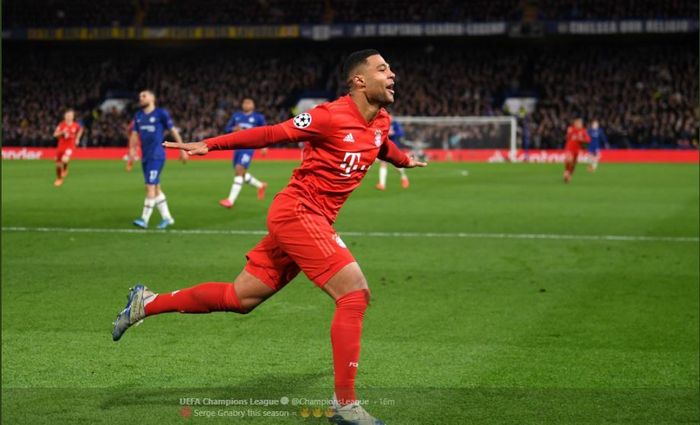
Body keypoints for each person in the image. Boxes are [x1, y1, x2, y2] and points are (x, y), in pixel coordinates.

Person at [112, 49, 426, 425]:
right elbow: (272, 132)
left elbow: (380, 144)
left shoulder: (382, 120)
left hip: (312, 221)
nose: (392, 73)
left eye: (390, 67)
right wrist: (210, 144)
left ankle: (146, 303)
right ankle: (345, 404)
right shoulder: (328, 116)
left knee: (239, 297)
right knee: (354, 294)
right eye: (382, 68)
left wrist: (403, 160)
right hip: (298, 213)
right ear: (359, 81)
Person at [129, 90, 184, 229]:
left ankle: (144, 219)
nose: (140, 98)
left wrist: (182, 148)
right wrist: (132, 150)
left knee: (150, 186)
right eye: (140, 96)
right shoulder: (138, 116)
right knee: (156, 188)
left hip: (157, 155)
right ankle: (167, 218)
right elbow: (134, 134)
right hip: (145, 156)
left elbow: (173, 131)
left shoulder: (161, 113)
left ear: (152, 98)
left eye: (144, 96)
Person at [219, 98, 268, 208]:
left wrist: (264, 146)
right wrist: (234, 129)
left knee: (239, 170)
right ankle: (261, 185)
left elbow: (265, 131)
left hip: (249, 147)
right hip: (237, 147)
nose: (246, 104)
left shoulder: (258, 117)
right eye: (245, 102)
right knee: (241, 172)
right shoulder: (236, 116)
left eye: (249, 102)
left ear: (253, 105)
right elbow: (227, 128)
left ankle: (230, 201)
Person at [52, 109, 83, 187]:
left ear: (73, 117)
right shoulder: (61, 125)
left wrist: (77, 138)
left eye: (71, 115)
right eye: (67, 115)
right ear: (65, 116)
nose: (69, 117)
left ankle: (65, 169)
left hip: (70, 145)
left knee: (65, 159)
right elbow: (55, 135)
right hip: (61, 146)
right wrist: (62, 132)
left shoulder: (76, 125)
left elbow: (80, 130)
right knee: (58, 165)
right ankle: (59, 178)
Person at [376, 119, 409, 190]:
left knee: (397, 166)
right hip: (384, 146)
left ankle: (404, 177)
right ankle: (382, 184)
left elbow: (401, 133)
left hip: (394, 147)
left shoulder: (395, 123)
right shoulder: (382, 122)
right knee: (383, 164)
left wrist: (393, 133)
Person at [563, 117, 590, 183]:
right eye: (578, 123)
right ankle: (566, 172)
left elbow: (588, 140)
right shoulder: (571, 129)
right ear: (575, 123)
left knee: (573, 164)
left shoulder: (583, 131)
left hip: (576, 150)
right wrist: (569, 134)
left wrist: (582, 140)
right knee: (569, 159)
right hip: (569, 148)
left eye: (581, 123)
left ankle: (569, 174)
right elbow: (567, 137)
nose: (580, 124)